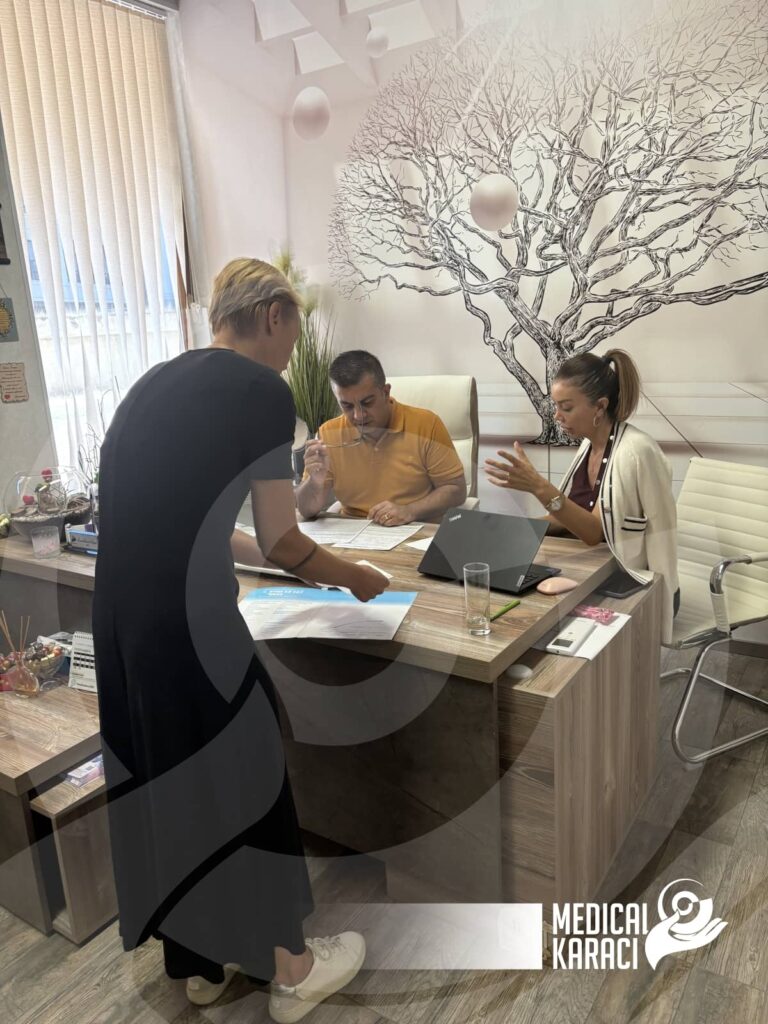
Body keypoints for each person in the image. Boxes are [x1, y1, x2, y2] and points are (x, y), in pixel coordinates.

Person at [93, 258, 389, 1023]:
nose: (291, 357)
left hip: (124, 627)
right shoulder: (259, 390)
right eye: (292, 336)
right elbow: (286, 540)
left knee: (173, 782)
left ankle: (199, 966)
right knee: (248, 774)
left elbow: (210, 527)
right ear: (273, 316)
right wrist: (354, 578)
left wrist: (286, 556)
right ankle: (294, 971)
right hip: (191, 628)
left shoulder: (152, 384)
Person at [484, 349, 679, 641]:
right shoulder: (589, 446)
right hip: (592, 570)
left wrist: (539, 487)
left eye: (566, 407)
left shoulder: (636, 451)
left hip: (634, 585)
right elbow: (571, 515)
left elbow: (593, 531)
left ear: (600, 406)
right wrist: (517, 528)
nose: (557, 416)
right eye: (556, 406)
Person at [296, 350, 467, 524]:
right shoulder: (328, 434)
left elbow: (456, 490)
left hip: (415, 526)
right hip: (353, 529)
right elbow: (306, 510)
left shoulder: (426, 425)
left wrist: (410, 511)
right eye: (347, 406)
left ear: (385, 392)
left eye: (367, 403)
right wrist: (314, 482)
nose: (358, 416)